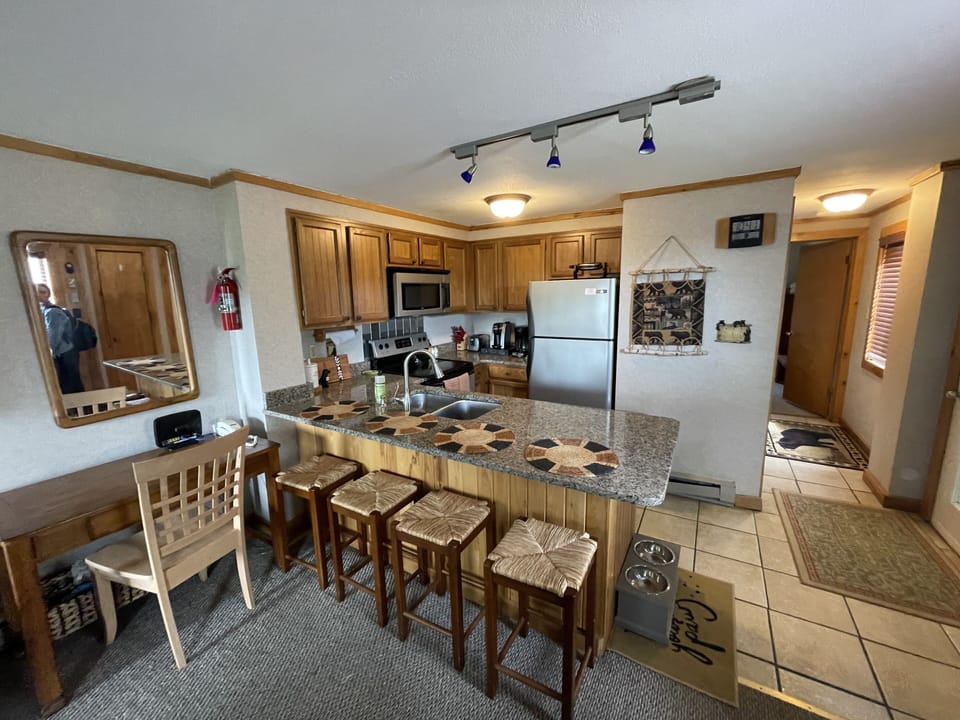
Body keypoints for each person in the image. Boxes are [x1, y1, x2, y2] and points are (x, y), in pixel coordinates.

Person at [36, 283, 84, 394]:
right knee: (71, 383)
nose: (39, 295)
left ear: (48, 294)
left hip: (65, 352)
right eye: (37, 292)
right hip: (65, 351)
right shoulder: (43, 310)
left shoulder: (52, 312)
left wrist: (49, 351)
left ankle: (81, 405)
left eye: (43, 292)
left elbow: (54, 335)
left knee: (70, 384)